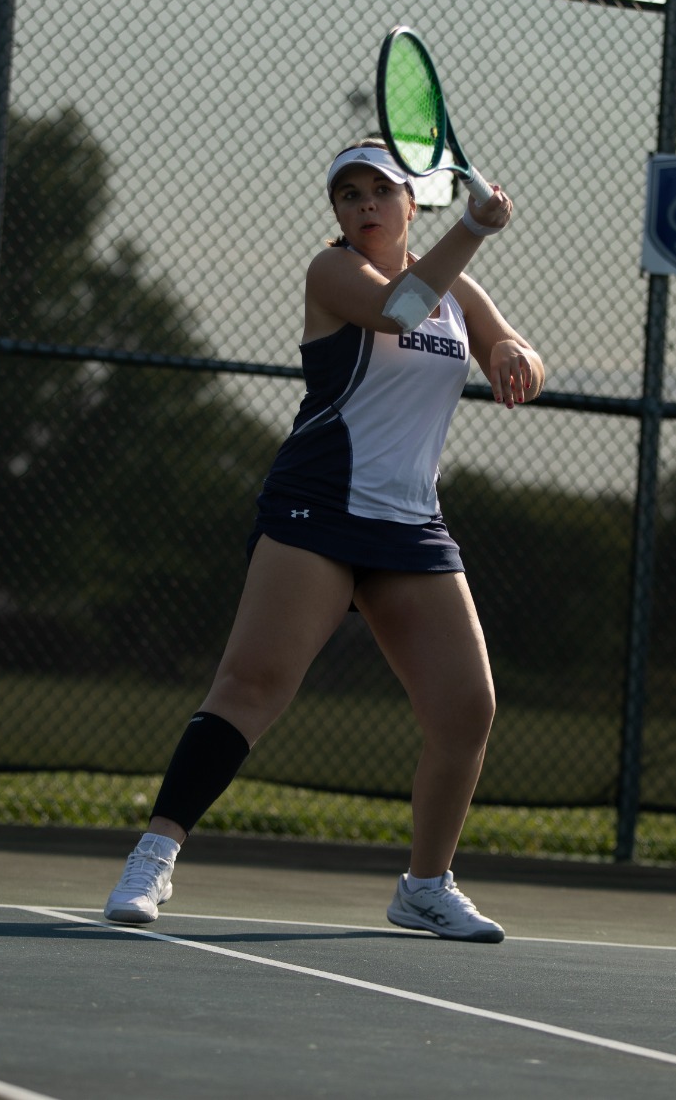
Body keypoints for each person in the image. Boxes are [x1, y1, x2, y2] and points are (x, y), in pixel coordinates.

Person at [101, 138, 544, 943]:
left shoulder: (459, 291)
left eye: (382, 190)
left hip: (411, 523)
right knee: (251, 685)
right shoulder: (332, 272)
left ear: (415, 203)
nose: (365, 204)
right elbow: (397, 307)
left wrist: (512, 348)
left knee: (466, 710)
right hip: (318, 509)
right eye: (349, 194)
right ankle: (153, 855)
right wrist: (475, 228)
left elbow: (511, 347)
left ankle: (426, 883)